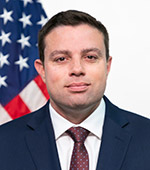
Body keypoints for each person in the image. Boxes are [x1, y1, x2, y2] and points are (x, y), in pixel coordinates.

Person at [0, 10, 150, 170]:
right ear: (42, 70)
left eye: (90, 57)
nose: (77, 69)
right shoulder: (4, 142)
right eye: (61, 59)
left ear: (107, 65)